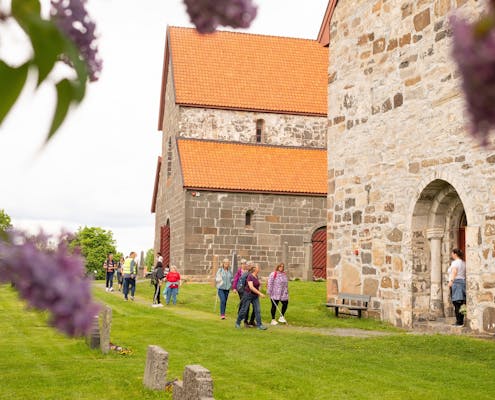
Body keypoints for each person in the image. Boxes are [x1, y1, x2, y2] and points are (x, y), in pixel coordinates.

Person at [235, 263, 267, 330]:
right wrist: (260, 294)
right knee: (244, 310)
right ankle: (237, 323)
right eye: (258, 267)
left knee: (257, 310)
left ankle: (259, 325)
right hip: (248, 295)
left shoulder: (256, 276)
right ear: (255, 269)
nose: (259, 269)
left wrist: (262, 289)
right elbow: (251, 287)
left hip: (255, 296)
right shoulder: (250, 276)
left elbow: (257, 285)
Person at [448, 248, 466, 326]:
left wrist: (451, 281)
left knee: (456, 303)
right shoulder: (463, 263)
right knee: (461, 302)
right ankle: (460, 320)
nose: (451, 255)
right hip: (462, 282)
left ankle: (459, 322)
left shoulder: (455, 263)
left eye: (452, 253)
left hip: (456, 283)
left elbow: (454, 272)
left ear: (455, 254)